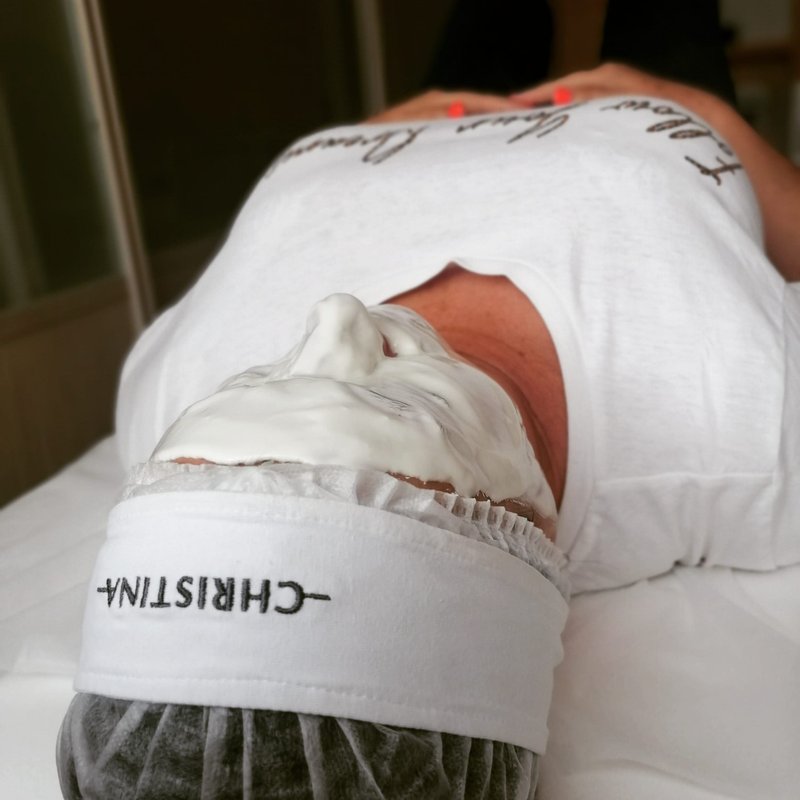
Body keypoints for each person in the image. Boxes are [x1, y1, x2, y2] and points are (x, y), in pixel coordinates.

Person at [60, 60, 800, 797]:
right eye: (379, 414)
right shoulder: (755, 427)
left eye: (270, 383)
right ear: (521, 533)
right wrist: (706, 112)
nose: (338, 319)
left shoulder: (162, 402)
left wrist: (354, 138)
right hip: (650, 112)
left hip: (408, 115)